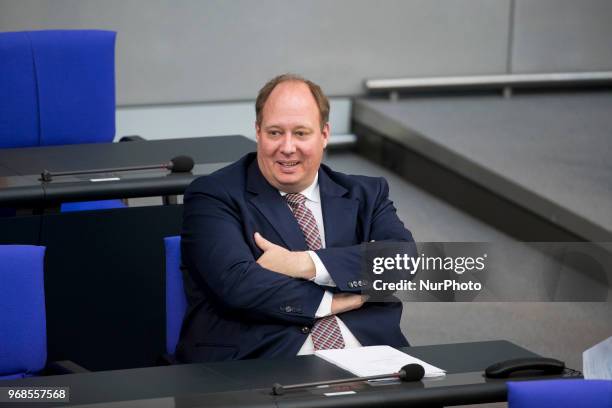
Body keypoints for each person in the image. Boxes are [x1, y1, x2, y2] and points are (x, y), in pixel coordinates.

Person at [176, 74, 415, 363]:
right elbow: (238, 285)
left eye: (301, 133)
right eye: (275, 132)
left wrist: (305, 263)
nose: (287, 147)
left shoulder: (366, 192)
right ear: (258, 132)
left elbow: (403, 262)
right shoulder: (213, 194)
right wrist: (332, 299)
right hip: (265, 362)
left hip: (372, 355)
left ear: (324, 135)